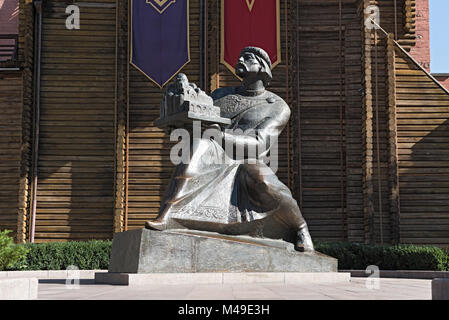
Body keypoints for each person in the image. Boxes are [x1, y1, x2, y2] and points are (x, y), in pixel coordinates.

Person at [146, 46, 314, 251]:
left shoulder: (277, 106)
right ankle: (168, 215)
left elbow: (259, 144)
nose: (240, 59)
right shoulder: (221, 94)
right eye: (240, 56)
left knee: (262, 181)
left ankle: (299, 226)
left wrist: (219, 135)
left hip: (247, 158)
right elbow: (201, 118)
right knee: (195, 150)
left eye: (248, 58)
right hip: (215, 151)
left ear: (263, 67)